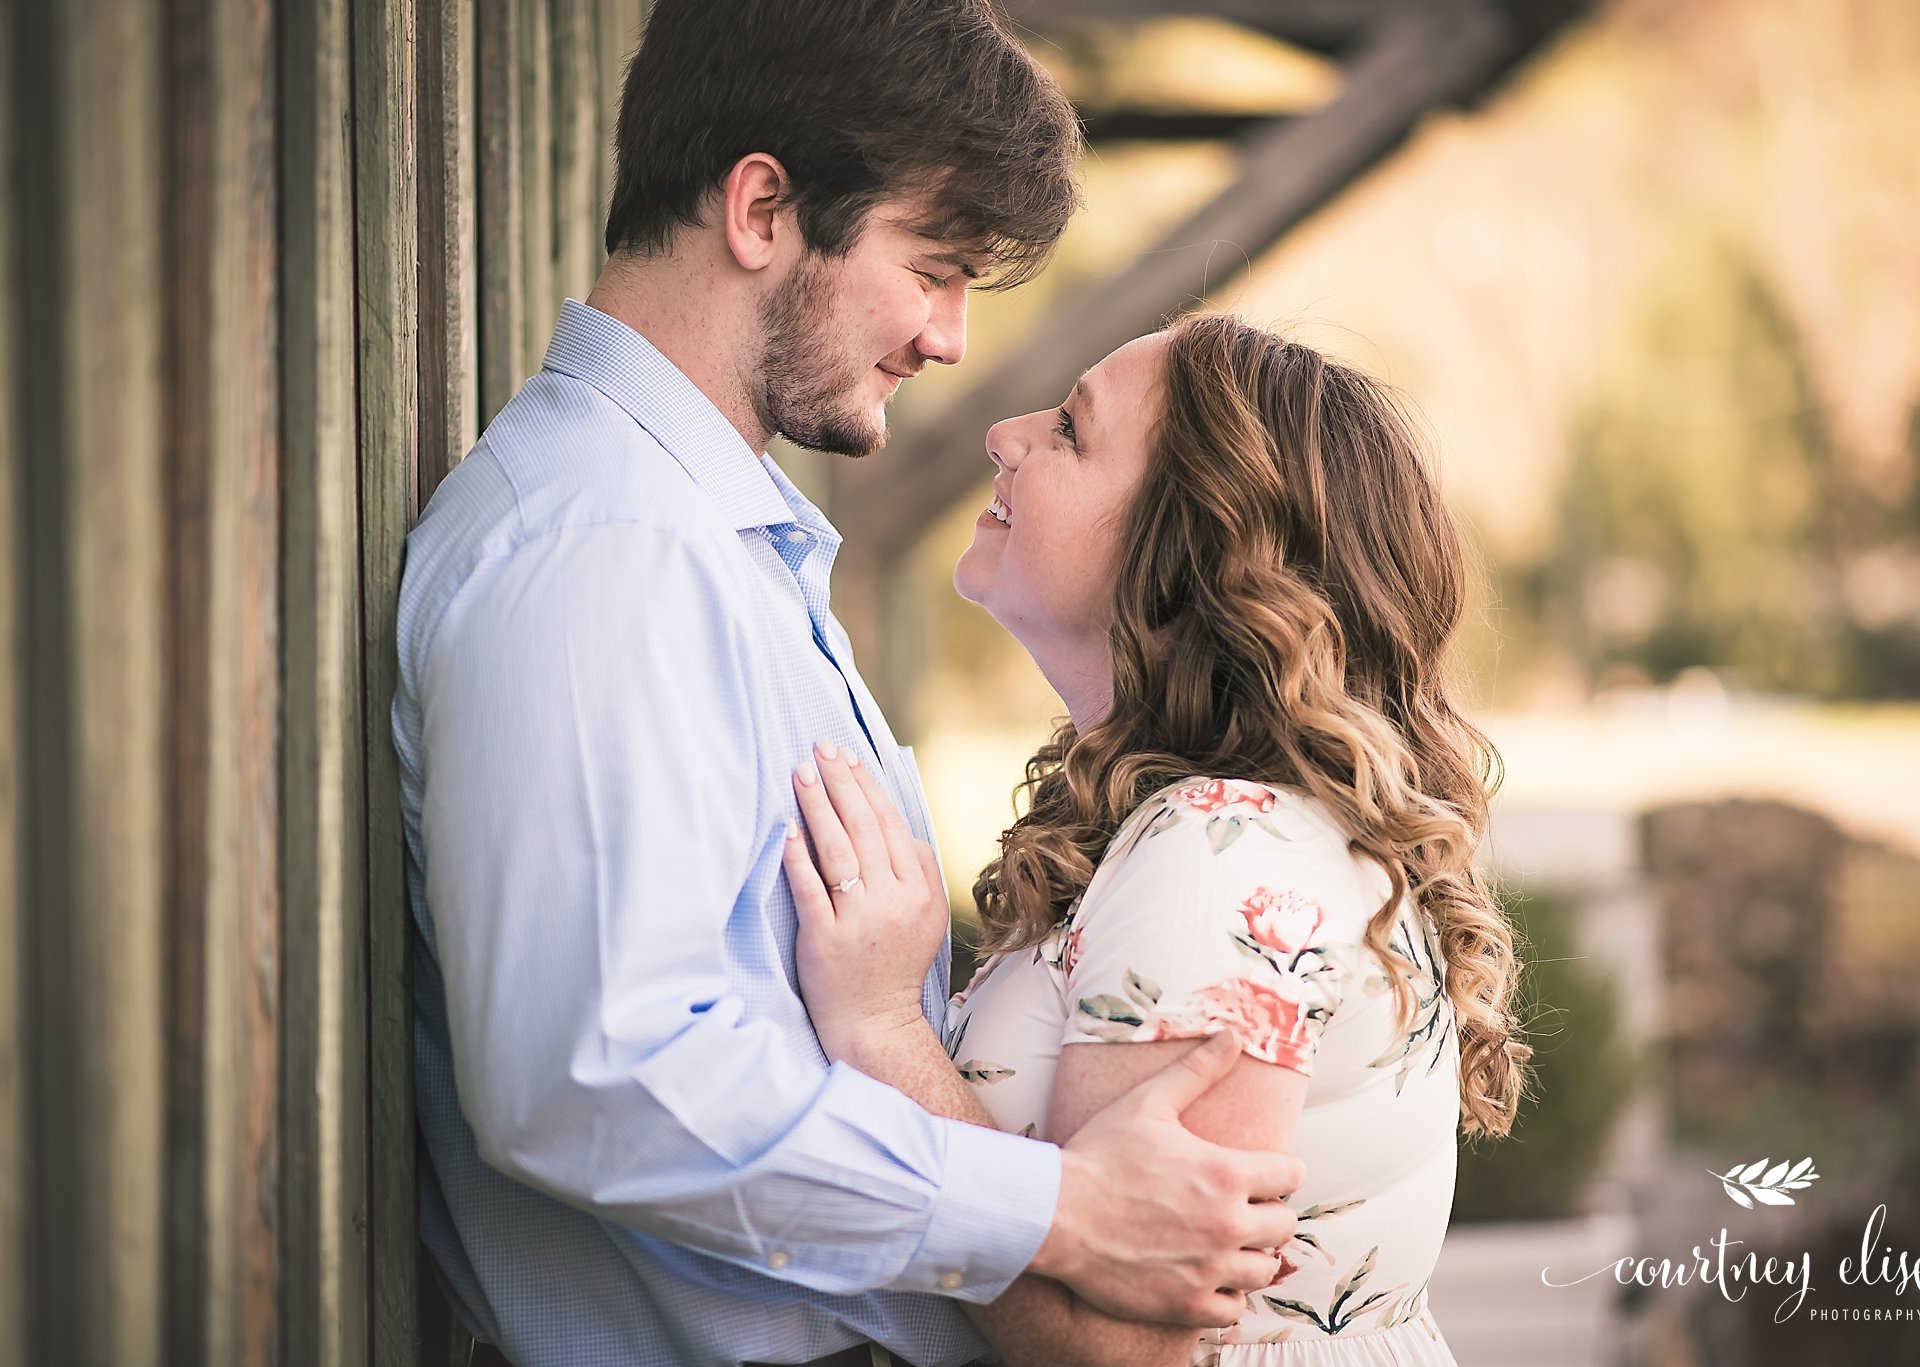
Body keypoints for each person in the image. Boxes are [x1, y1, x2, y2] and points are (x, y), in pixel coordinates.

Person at [392, 4, 1303, 1366]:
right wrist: (1052, 1207)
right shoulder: (603, 547)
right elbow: (598, 1070)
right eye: (932, 267)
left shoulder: (712, 536)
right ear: (762, 208)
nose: (948, 336)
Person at [783, 315, 1533, 1367]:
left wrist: (878, 1029)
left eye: (1070, 430)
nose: (1003, 433)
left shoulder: (1226, 851)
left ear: (1187, 560)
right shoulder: (1217, 824)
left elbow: (1116, 1348)